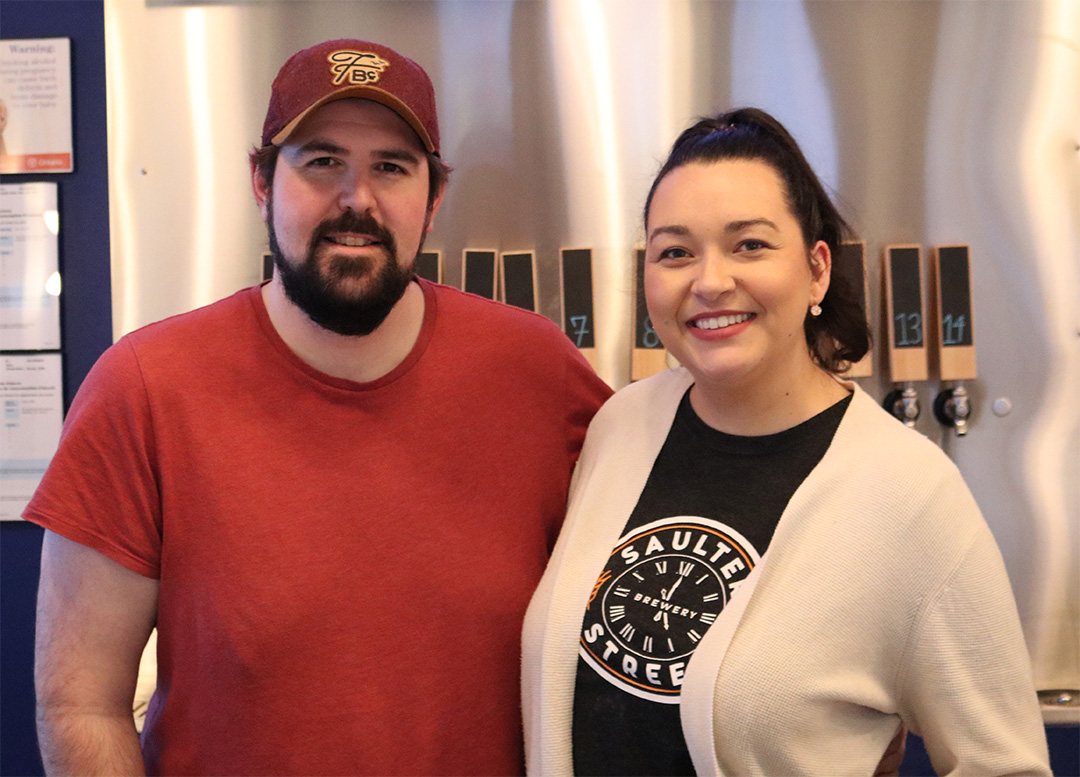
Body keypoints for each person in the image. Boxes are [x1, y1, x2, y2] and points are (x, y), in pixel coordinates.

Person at [29, 39, 611, 776]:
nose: (356, 200)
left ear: (433, 199)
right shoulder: (144, 388)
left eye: (391, 167)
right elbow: (81, 702)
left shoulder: (537, 373)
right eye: (322, 161)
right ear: (262, 182)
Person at [522, 108, 1051, 776]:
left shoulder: (910, 493)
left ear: (818, 269)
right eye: (675, 251)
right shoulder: (620, 428)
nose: (710, 281)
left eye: (749, 245)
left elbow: (1004, 762)